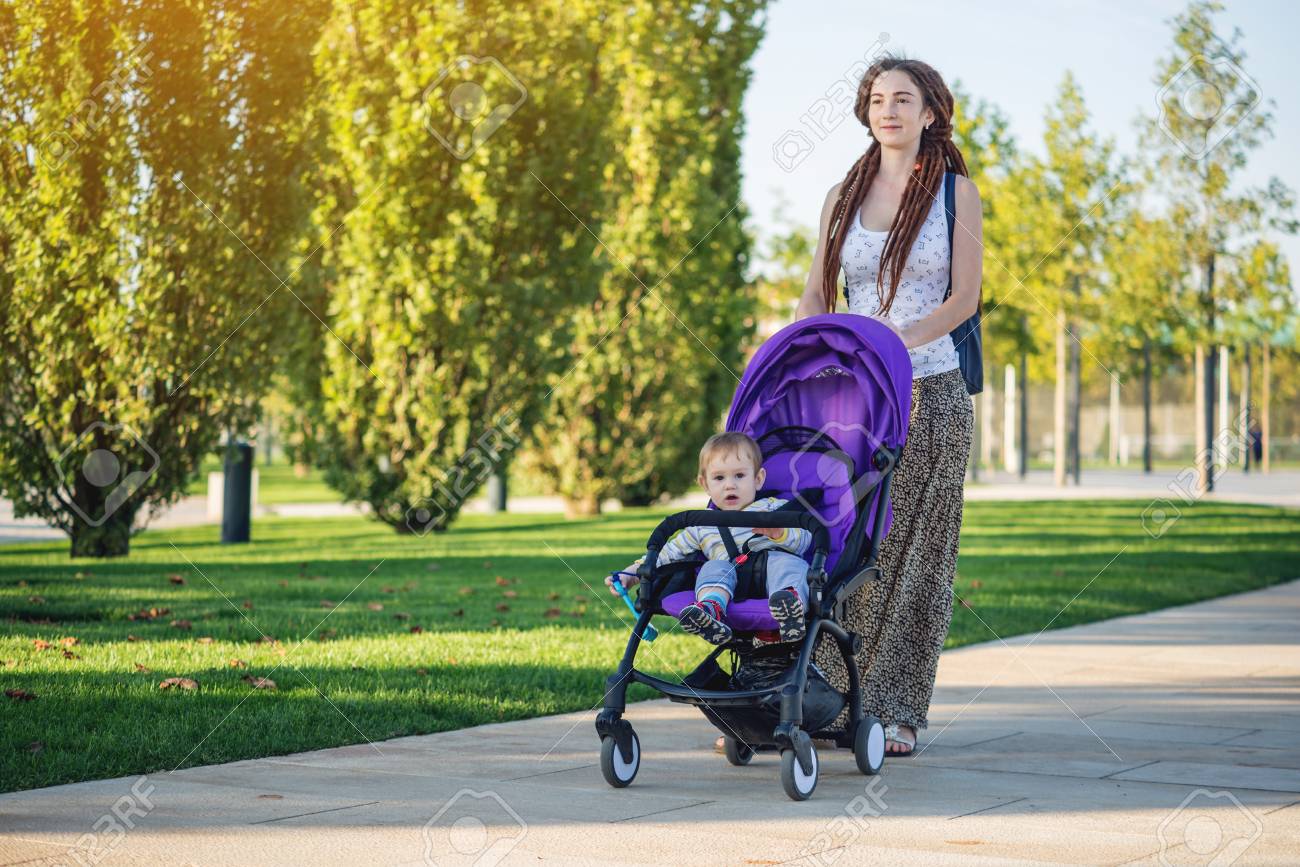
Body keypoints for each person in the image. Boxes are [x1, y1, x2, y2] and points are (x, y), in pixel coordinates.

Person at [791, 54, 981, 757]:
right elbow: (817, 288)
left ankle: (897, 709)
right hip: (854, 395)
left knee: (916, 556)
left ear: (931, 112)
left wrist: (897, 342)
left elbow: (965, 297)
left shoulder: (956, 194)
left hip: (930, 391)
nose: (889, 109)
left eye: (904, 99)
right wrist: (810, 341)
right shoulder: (844, 192)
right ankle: (824, 700)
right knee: (843, 547)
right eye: (877, 99)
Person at [606, 432, 812, 645]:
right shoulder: (702, 524)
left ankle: (790, 605)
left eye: (739, 476)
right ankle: (710, 609)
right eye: (719, 478)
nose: (730, 485)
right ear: (705, 484)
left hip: (773, 575)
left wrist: (780, 533)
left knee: (790, 563)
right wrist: (631, 574)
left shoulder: (772, 508)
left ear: (758, 479)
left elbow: (804, 540)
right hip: (731, 580)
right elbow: (667, 554)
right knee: (712, 567)